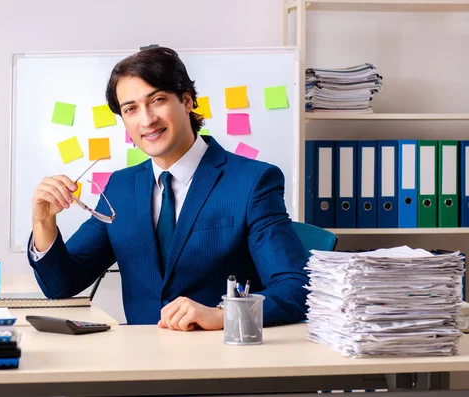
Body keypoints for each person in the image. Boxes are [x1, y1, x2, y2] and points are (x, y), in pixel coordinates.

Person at [28, 46, 309, 331]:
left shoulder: (252, 181)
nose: (147, 119)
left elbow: (294, 287)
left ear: (187, 100)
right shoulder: (120, 188)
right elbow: (61, 285)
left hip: (221, 359)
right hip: (141, 362)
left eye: (158, 100)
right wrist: (43, 221)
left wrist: (223, 315)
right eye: (131, 109)